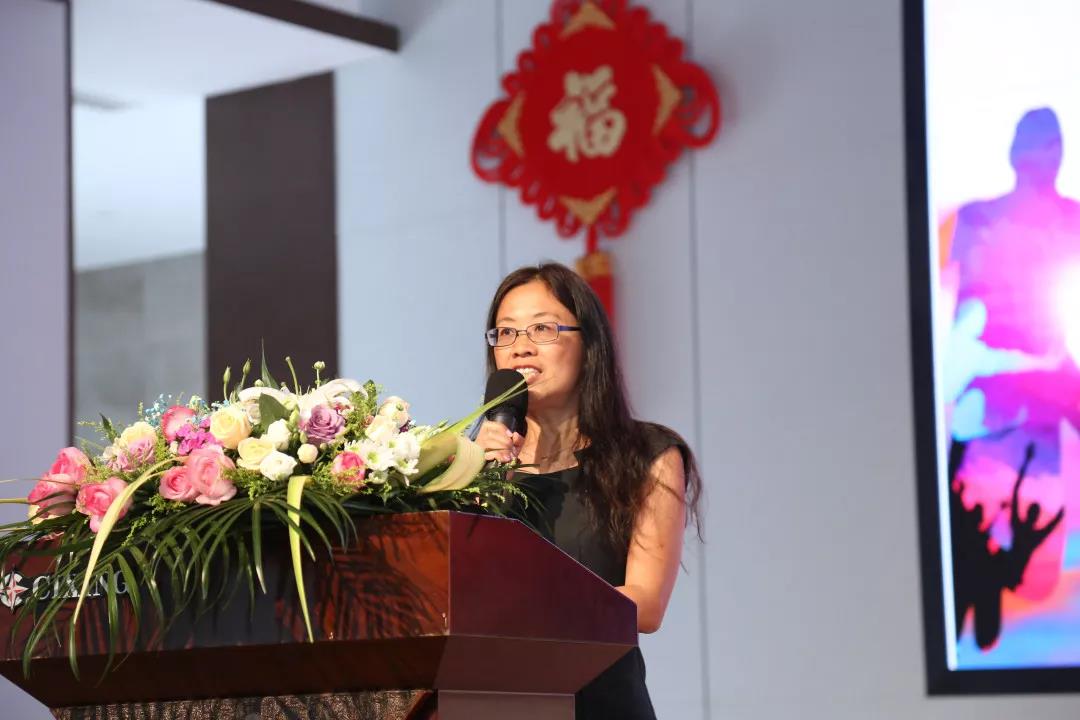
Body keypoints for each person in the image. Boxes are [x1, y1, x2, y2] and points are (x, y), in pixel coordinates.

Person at [475, 262, 703, 719]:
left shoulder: (647, 455)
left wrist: (531, 604)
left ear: (589, 344)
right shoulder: (470, 465)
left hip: (600, 703)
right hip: (488, 702)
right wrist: (470, 477)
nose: (520, 347)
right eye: (506, 332)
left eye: (542, 329)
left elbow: (645, 605)